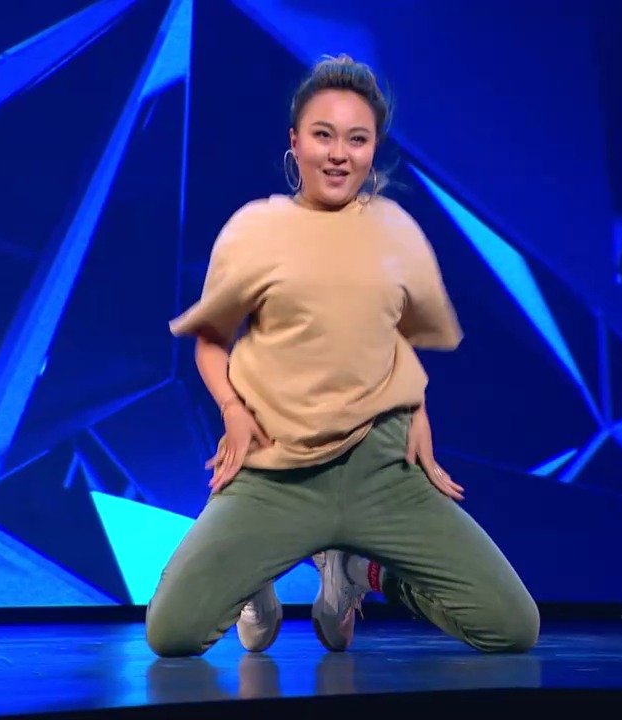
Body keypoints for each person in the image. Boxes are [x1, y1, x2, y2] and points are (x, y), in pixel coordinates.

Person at [145, 54, 539, 658]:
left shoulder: (397, 232)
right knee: (171, 633)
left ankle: (360, 572)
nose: (338, 154)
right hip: (278, 470)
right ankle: (255, 575)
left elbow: (393, 335)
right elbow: (211, 341)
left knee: (512, 627)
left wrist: (418, 413)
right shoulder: (255, 228)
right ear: (295, 141)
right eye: (323, 135)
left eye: (357, 139)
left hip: (383, 469)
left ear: (373, 148)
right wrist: (232, 409)